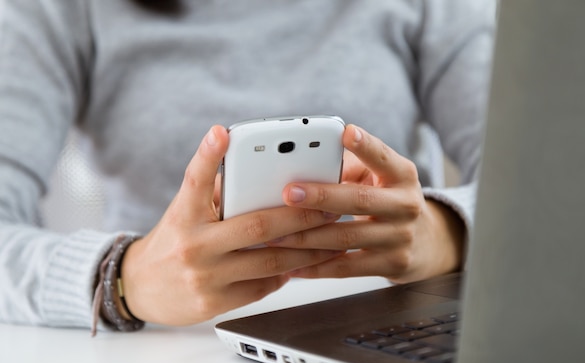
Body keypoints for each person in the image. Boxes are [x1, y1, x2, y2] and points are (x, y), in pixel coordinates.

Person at [0, 0, 495, 333]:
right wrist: (121, 279)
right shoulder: (62, 10)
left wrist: (448, 230)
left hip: (397, 331)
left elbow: (546, 179)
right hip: (167, 358)